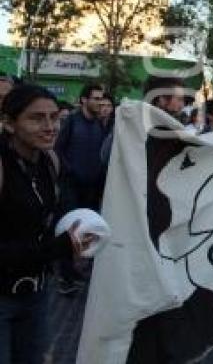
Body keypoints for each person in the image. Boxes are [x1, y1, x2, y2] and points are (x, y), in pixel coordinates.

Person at [0, 84, 94, 364]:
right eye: (36, 118)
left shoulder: (51, 161)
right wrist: (57, 247)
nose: (50, 126)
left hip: (37, 295)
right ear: (9, 123)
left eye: (54, 117)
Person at [53, 83, 108, 295]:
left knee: (88, 229)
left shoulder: (99, 124)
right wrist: (70, 171)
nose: (99, 102)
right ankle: (64, 278)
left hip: (92, 189)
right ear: (84, 100)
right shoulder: (71, 122)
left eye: (101, 99)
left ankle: (75, 271)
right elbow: (57, 149)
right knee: (70, 229)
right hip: (71, 187)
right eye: (95, 98)